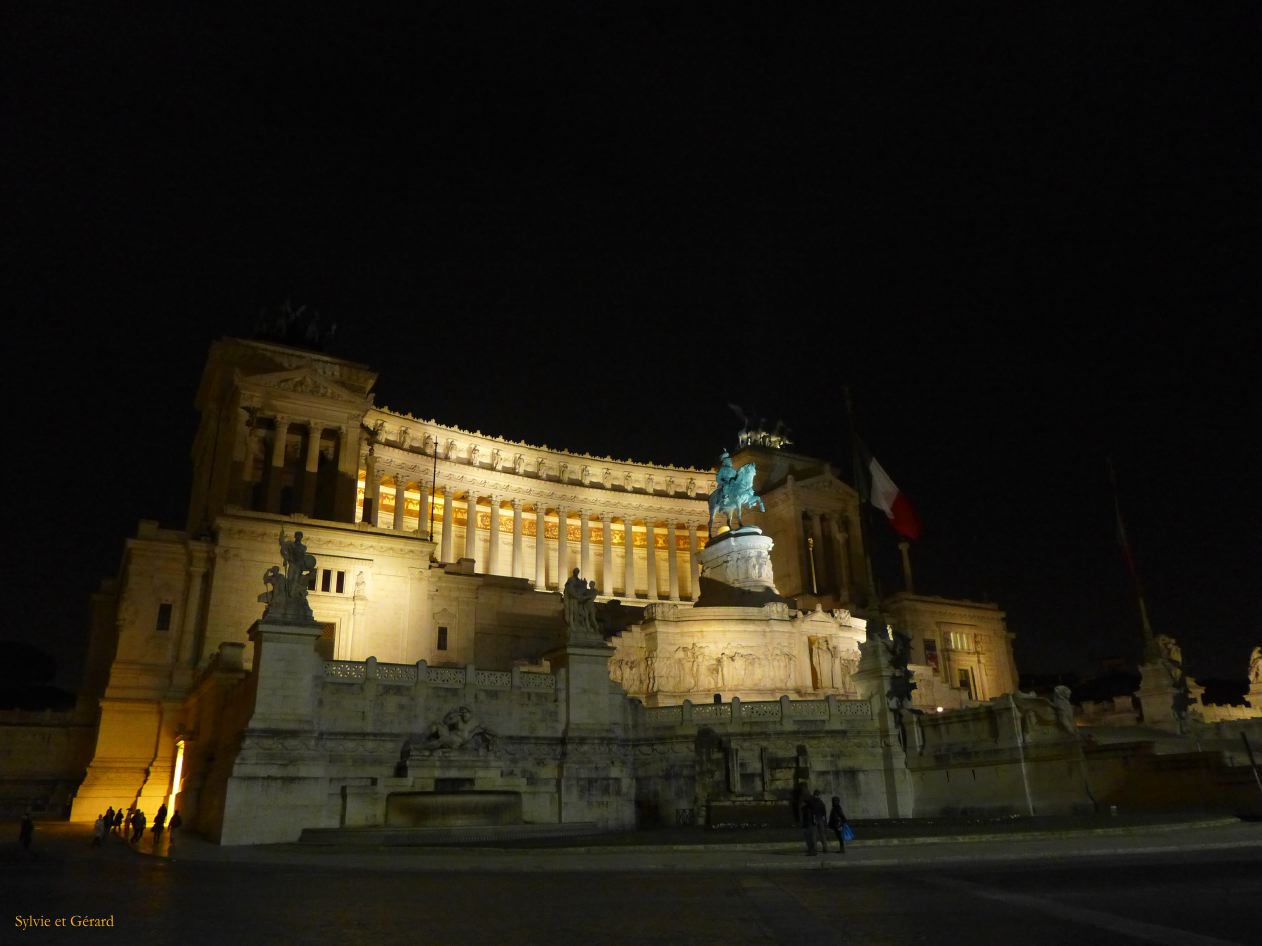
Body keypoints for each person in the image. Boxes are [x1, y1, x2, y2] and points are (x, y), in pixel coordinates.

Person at [802, 789, 828, 855]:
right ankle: (825, 848)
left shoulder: (811, 801)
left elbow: (806, 803)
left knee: (814, 835)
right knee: (822, 834)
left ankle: (814, 849)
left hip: (814, 819)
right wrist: (824, 818)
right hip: (820, 819)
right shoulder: (821, 802)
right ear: (819, 795)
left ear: (814, 794)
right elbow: (824, 811)